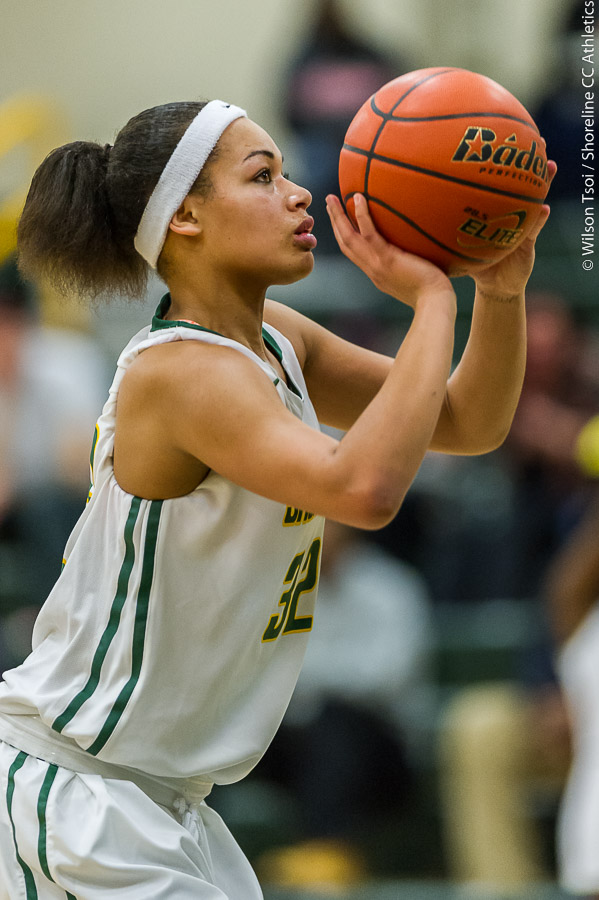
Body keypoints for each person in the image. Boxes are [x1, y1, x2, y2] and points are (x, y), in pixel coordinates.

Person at [0, 97, 552, 899]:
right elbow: (362, 489)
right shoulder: (178, 372)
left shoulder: (276, 341)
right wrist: (433, 300)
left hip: (162, 801)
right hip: (78, 789)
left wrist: (497, 294)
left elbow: (467, 421)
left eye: (288, 173)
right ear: (185, 215)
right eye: (262, 176)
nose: (298, 195)